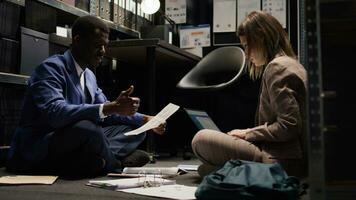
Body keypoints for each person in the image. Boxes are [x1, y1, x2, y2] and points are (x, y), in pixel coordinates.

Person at [6, 15, 166, 177]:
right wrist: (109, 108)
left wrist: (145, 119)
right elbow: (55, 113)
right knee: (88, 128)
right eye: (97, 45)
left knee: (137, 129)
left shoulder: (89, 75)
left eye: (104, 46)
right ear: (78, 40)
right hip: (41, 145)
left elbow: (108, 112)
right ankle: (115, 164)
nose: (103, 51)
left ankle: (92, 161)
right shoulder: (50, 68)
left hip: (75, 141)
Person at [191, 11, 308, 178]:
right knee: (205, 170)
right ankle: (232, 173)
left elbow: (289, 126)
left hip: (282, 160)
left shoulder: (277, 67)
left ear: (260, 37)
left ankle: (242, 173)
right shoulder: (292, 64)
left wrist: (248, 133)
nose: (246, 54)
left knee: (200, 139)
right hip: (293, 159)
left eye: (246, 46)